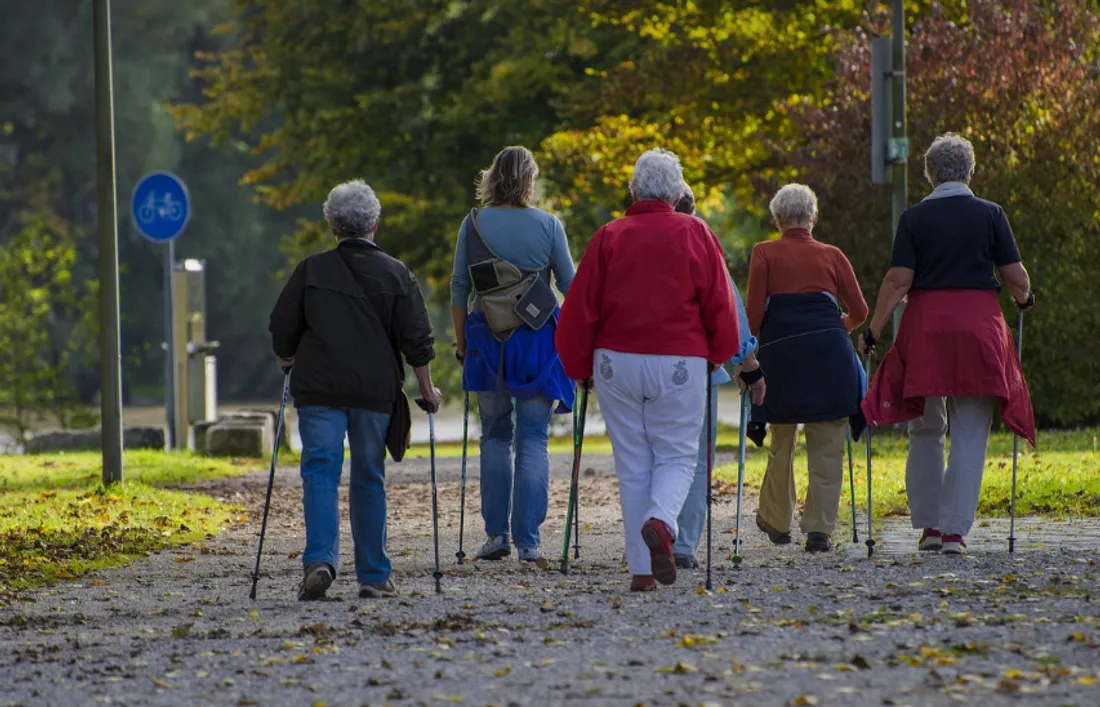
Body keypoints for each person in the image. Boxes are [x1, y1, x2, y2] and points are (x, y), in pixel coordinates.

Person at [556, 149, 741, 591]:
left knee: (633, 462)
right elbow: (720, 303)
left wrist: (579, 365)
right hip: (679, 358)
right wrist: (719, 353)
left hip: (616, 360)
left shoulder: (608, 236)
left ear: (633, 190)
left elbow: (581, 308)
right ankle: (661, 520)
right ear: (678, 193)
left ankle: (642, 571)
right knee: (677, 454)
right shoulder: (696, 232)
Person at [861, 133, 1035, 555]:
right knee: (972, 427)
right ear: (970, 171)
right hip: (979, 327)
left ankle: (930, 528)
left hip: (927, 328)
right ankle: (956, 531)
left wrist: (873, 330)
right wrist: (1025, 298)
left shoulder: (914, 218)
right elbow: (1014, 276)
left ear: (930, 174)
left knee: (925, 425)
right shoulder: (991, 214)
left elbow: (898, 281)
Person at [270, 180, 441, 601]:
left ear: (331, 225)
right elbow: (416, 337)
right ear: (375, 225)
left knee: (320, 473)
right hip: (373, 392)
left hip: (319, 391)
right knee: (369, 478)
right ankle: (374, 575)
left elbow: (281, 325)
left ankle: (321, 561)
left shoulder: (311, 270)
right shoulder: (397, 273)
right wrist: (427, 388)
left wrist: (287, 355)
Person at [450, 146, 576, 564]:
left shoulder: (473, 224)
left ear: (491, 178)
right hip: (538, 340)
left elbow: (458, 289)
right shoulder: (549, 225)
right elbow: (570, 287)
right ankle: (530, 542)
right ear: (529, 180)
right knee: (534, 438)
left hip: (487, 338)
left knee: (495, 434)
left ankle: (496, 535)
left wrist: (462, 343)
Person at [745, 183, 868, 553]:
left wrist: (748, 356)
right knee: (829, 442)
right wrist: (832, 329)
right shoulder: (833, 255)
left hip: (781, 357)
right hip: (830, 357)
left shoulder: (763, 252)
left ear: (778, 219)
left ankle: (777, 520)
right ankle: (819, 530)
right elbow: (860, 312)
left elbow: (753, 317)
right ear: (813, 218)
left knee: (782, 439)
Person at [670, 190, 765, 570]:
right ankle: (685, 543)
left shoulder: (627, 238)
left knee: (654, 456)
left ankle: (655, 531)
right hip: (698, 368)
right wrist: (749, 365)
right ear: (692, 212)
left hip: (641, 365)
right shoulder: (702, 242)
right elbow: (728, 308)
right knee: (695, 459)